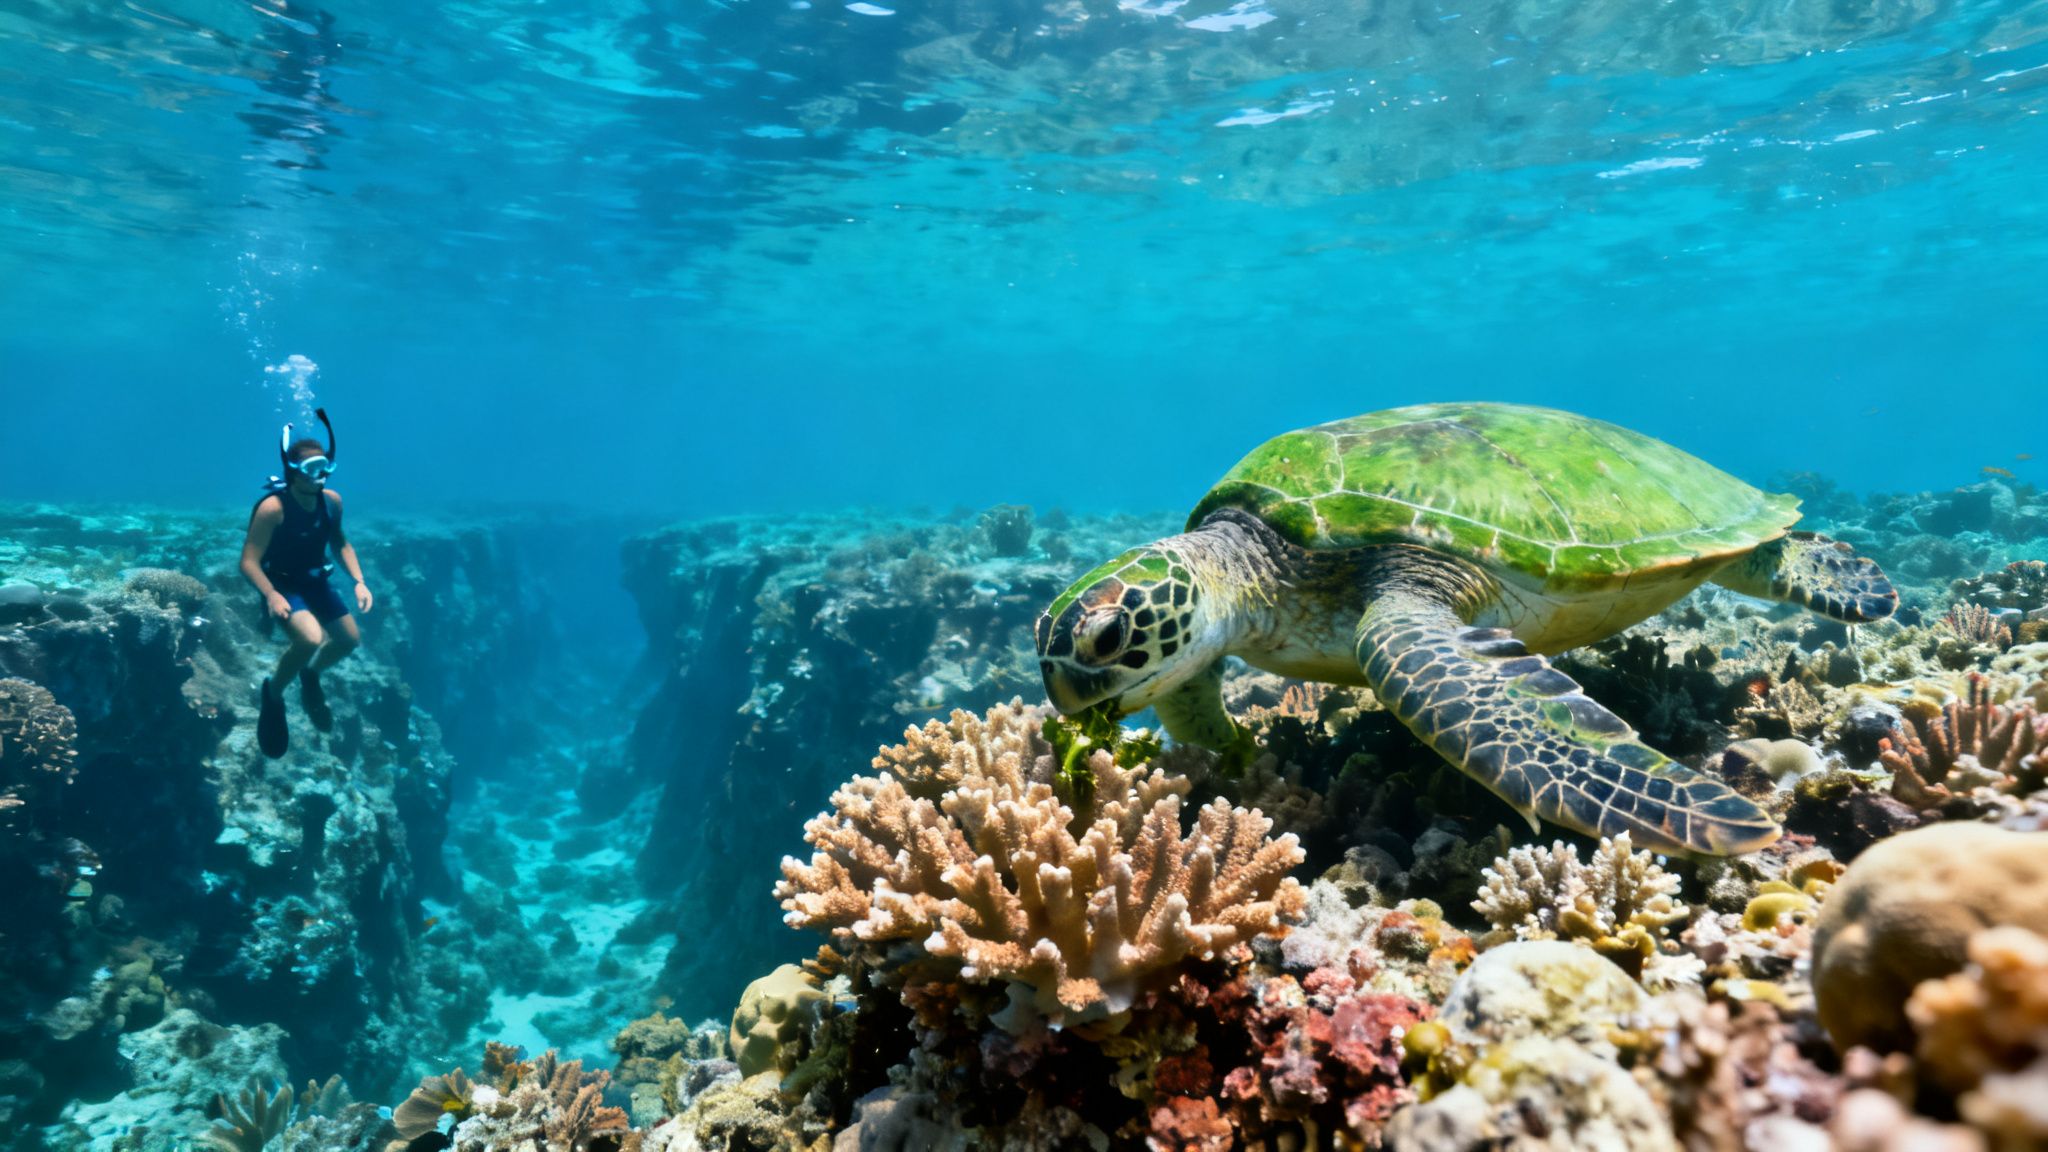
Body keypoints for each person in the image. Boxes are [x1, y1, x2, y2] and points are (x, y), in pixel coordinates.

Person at [238, 409, 372, 758]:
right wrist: (269, 595)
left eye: (326, 467)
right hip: (283, 586)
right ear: (293, 471)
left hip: (315, 581)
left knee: (348, 640)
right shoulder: (273, 508)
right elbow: (248, 561)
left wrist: (359, 581)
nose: (321, 476)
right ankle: (274, 693)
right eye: (313, 469)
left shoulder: (332, 502)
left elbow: (339, 542)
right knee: (311, 638)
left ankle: (310, 676)